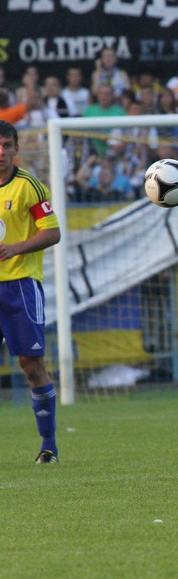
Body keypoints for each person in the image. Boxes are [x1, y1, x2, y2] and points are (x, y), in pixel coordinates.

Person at [0, 121, 62, 464]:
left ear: (16, 148)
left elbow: (52, 233)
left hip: (20, 286)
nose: (1, 152)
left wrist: (16, 248)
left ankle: (48, 445)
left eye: (6, 145)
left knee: (31, 365)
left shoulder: (29, 187)